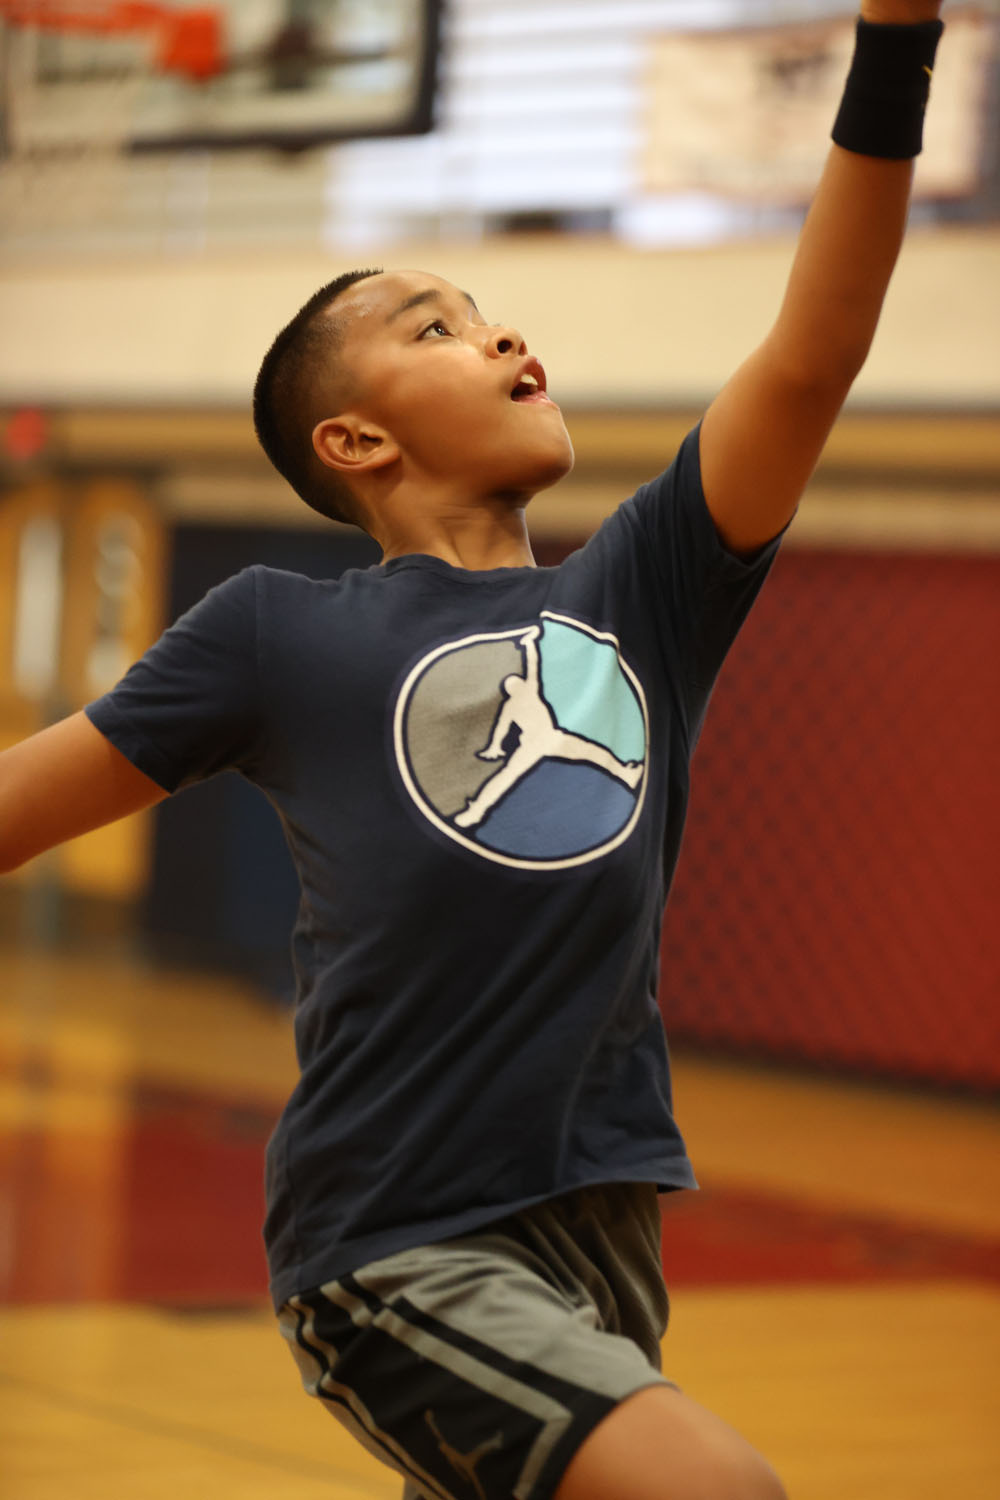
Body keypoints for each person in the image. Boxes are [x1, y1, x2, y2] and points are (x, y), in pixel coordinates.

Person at [0, 4, 946, 1497]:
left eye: (489, 309)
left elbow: (816, 350)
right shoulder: (276, 635)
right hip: (397, 1235)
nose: (501, 331)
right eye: (433, 326)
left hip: (601, 1228)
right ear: (356, 445)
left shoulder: (645, 589)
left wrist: (896, 42)